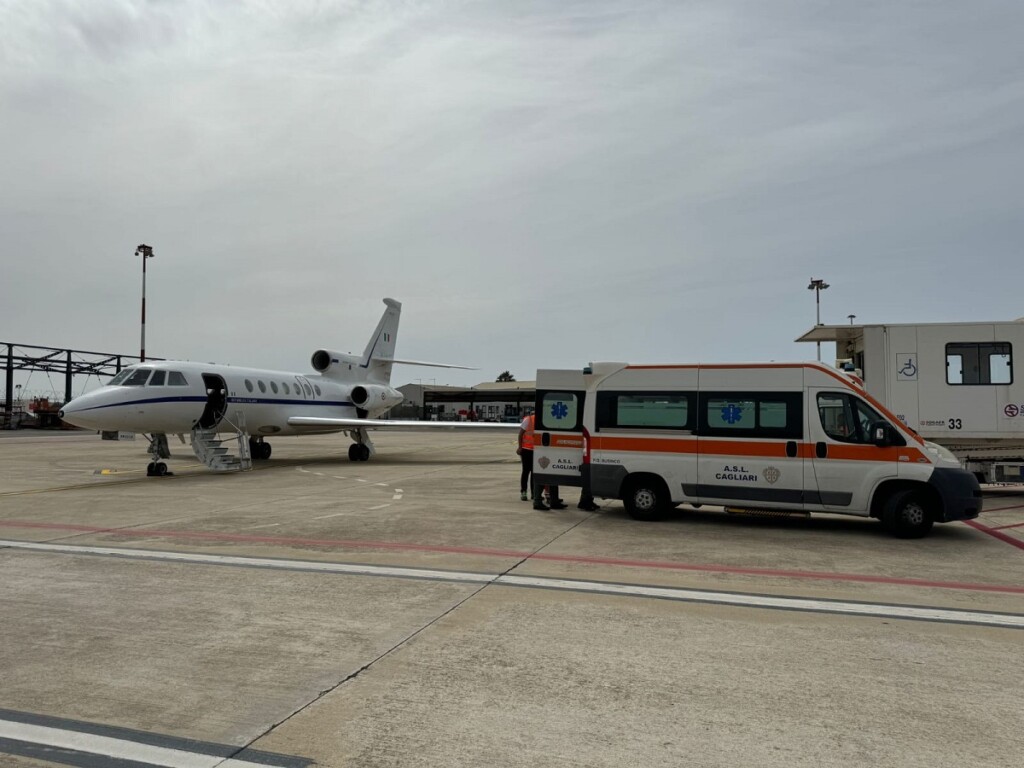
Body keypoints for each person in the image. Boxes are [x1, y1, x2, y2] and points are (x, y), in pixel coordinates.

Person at [517, 412, 537, 503]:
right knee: (526, 471)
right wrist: (520, 447)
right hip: (526, 450)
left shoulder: (542, 420)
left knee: (534, 472)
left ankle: (534, 493)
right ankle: (524, 492)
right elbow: (520, 434)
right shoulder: (528, 419)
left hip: (536, 450)